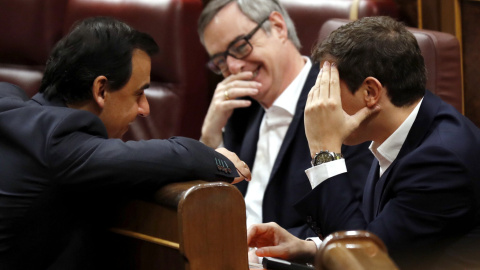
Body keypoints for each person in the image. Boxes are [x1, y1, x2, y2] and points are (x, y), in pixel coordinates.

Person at [0, 17, 251, 270]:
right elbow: (168, 156)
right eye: (138, 93)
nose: (145, 109)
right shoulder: (60, 142)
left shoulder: (9, 106)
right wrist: (215, 158)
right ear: (101, 90)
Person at [246, 16, 480, 269]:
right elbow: (375, 235)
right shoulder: (402, 126)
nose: (321, 104)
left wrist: (324, 151)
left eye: (328, 88)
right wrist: (309, 248)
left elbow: (363, 264)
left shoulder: (441, 161)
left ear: (370, 92)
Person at [197, 0, 372, 239]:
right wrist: (211, 137)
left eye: (239, 47)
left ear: (278, 27)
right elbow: (216, 210)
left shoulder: (337, 103)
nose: (234, 67)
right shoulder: (239, 107)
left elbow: (354, 223)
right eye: (220, 61)